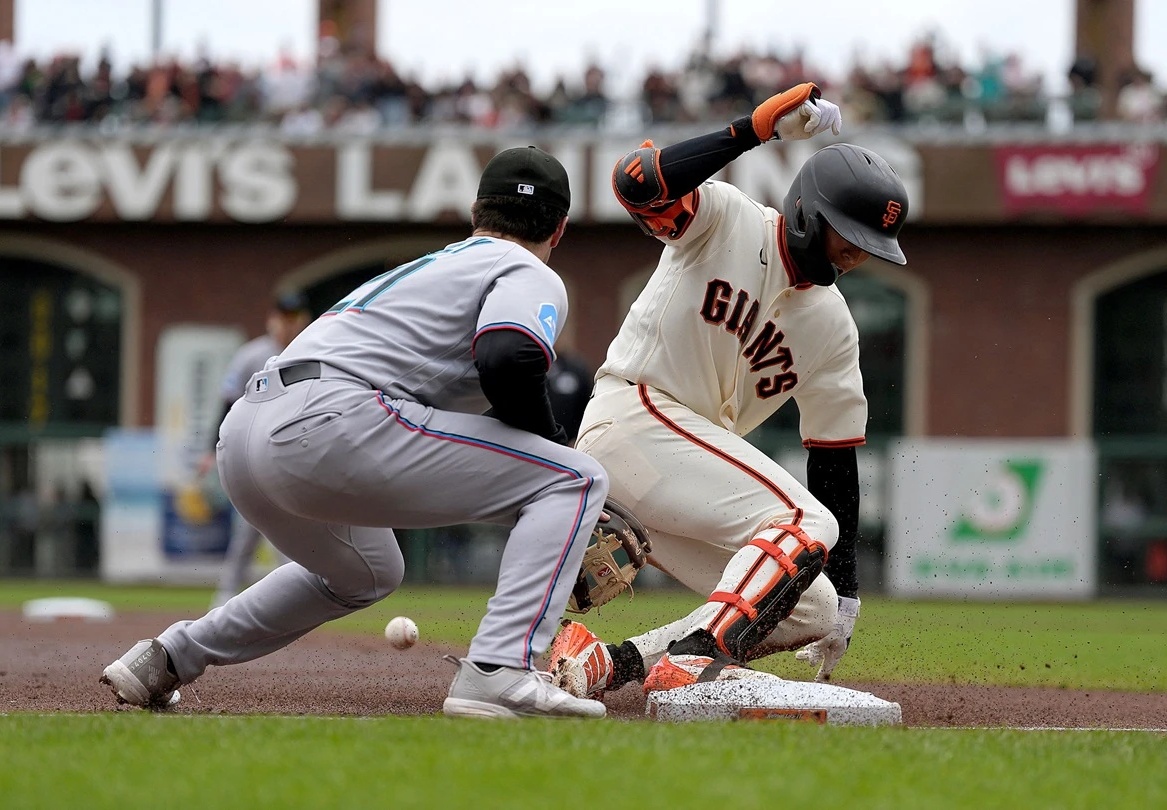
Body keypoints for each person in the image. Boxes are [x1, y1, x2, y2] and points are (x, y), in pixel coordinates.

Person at [101, 146, 610, 719]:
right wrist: (556, 454)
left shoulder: (437, 266)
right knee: (577, 478)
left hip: (247, 434)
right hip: (331, 419)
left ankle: (169, 657)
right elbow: (508, 357)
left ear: (475, 212)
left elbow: (486, 396)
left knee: (370, 571)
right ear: (560, 228)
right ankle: (500, 668)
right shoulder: (525, 268)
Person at [548, 82, 909, 698]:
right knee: (802, 520)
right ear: (806, 211)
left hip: (684, 479)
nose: (853, 256)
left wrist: (846, 589)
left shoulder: (833, 327)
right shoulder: (725, 220)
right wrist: (750, 131)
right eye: (847, 236)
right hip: (632, 418)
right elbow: (636, 182)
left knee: (808, 602)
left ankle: (609, 664)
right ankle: (699, 659)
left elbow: (833, 456)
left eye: (867, 249)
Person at [204, 292, 312, 608]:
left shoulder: (310, 350)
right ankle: (226, 596)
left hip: (295, 451)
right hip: (254, 451)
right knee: (249, 530)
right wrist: (213, 448)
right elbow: (227, 401)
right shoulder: (252, 355)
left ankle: (292, 595)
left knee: (288, 528)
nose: (288, 324)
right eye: (284, 316)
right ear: (272, 319)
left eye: (295, 317)